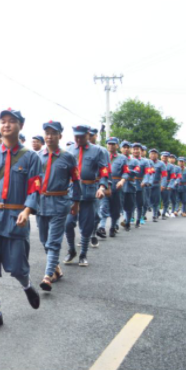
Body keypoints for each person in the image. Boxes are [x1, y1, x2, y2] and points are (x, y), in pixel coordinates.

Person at [0, 108, 42, 331]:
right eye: (3, 121)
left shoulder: (31, 158)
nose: (7, 125)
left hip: (16, 218)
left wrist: (28, 210)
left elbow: (34, 189)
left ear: (20, 126)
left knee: (17, 268)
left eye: (12, 121)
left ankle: (27, 285)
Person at [35, 121, 80, 291]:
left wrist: (75, 202)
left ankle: (47, 277)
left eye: (54, 133)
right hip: (41, 204)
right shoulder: (37, 156)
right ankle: (57, 269)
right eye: (47, 133)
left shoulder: (68, 157)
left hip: (60, 203)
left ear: (60, 136)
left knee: (53, 242)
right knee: (44, 241)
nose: (49, 136)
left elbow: (76, 181)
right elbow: (32, 182)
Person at [63, 125, 109, 267]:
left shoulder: (98, 151)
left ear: (88, 135)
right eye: (76, 136)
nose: (78, 138)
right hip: (71, 193)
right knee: (68, 224)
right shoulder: (69, 151)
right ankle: (72, 250)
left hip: (89, 192)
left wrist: (102, 187)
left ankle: (83, 253)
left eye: (81, 136)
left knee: (86, 226)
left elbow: (104, 171)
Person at [98, 137, 128, 238]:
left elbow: (126, 172)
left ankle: (113, 227)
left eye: (113, 144)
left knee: (116, 209)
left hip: (117, 185)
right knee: (103, 207)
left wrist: (122, 181)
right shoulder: (102, 156)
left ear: (117, 146)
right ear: (107, 145)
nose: (111, 145)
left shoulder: (122, 158)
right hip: (105, 184)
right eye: (109, 144)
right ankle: (102, 227)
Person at [119, 141, 138, 231]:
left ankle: (127, 222)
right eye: (124, 147)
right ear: (121, 148)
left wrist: (126, 170)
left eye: (128, 147)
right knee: (117, 205)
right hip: (119, 185)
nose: (126, 149)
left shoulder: (134, 161)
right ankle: (115, 224)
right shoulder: (117, 159)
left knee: (129, 206)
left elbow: (136, 171)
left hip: (130, 185)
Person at [131, 143, 150, 228]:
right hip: (129, 183)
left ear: (140, 150)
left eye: (137, 149)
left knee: (140, 203)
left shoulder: (145, 161)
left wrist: (145, 181)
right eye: (134, 149)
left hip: (140, 183)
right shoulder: (128, 159)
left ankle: (138, 219)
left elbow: (148, 173)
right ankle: (129, 218)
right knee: (129, 202)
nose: (136, 150)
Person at [147, 148, 168, 222]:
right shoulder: (147, 162)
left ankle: (154, 215)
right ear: (149, 155)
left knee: (156, 200)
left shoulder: (161, 164)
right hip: (148, 184)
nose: (153, 155)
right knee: (149, 200)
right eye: (151, 153)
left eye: (154, 153)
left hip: (156, 184)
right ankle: (156, 211)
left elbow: (164, 175)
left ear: (157, 155)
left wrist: (163, 185)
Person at [160, 152, 173, 219]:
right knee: (155, 200)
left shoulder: (170, 166)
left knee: (166, 200)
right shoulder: (157, 164)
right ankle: (156, 212)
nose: (164, 157)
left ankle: (164, 213)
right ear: (161, 156)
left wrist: (170, 185)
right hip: (157, 184)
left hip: (167, 184)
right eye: (163, 156)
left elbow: (173, 177)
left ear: (168, 158)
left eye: (166, 156)